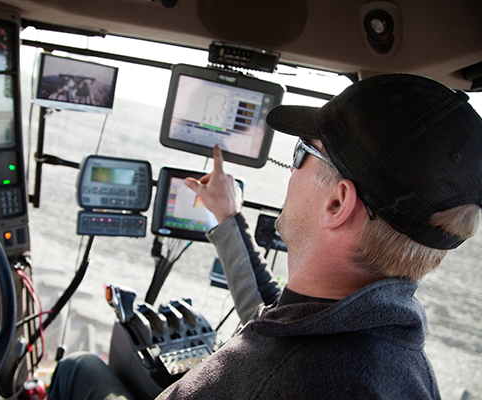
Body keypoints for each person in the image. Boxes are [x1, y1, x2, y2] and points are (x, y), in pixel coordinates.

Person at [48, 73, 482, 400]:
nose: (292, 171)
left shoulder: (273, 378)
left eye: (302, 154)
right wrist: (227, 215)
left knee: (78, 370)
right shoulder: (394, 352)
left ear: (337, 203)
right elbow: (276, 314)